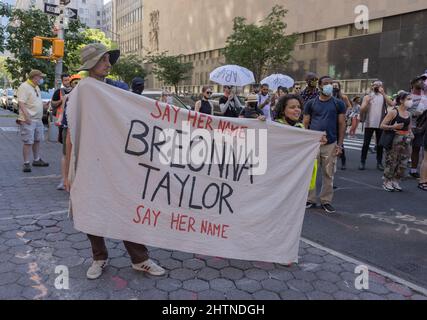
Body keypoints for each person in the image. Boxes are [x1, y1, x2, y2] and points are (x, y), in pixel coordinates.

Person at [64, 43, 165, 280]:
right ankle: (99, 257)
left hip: (116, 162)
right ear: (91, 65)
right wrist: (67, 172)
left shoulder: (115, 89)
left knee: (125, 207)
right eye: (103, 60)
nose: (108, 65)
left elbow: (136, 115)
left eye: (109, 60)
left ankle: (140, 259)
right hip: (89, 163)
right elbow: (71, 134)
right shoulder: (81, 92)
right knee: (90, 210)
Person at [303, 76, 346, 214]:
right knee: (311, 173)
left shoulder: (338, 103)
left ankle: (326, 201)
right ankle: (310, 199)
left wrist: (340, 144)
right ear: (319, 86)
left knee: (328, 173)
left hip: (331, 143)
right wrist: (306, 141)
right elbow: (305, 123)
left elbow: (341, 124)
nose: (329, 86)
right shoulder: (310, 103)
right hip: (313, 144)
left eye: (331, 84)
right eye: (326, 84)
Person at [17, 69, 50, 173]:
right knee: (28, 141)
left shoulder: (36, 87)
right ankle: (26, 163)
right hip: (29, 120)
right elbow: (21, 103)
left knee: (37, 140)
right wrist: (26, 117)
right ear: (35, 77)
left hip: (38, 119)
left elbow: (34, 101)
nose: (41, 79)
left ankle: (36, 160)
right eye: (40, 77)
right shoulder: (24, 87)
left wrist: (43, 106)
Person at [380, 92, 414, 192]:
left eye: (410, 99)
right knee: (392, 161)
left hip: (406, 140)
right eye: (408, 99)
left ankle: (396, 180)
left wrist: (411, 134)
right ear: (401, 100)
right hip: (395, 139)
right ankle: (387, 181)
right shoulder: (393, 112)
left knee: (403, 162)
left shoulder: (409, 114)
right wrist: (393, 127)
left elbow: (409, 127)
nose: (410, 101)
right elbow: (382, 125)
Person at [359, 81, 395, 171]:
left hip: (381, 124)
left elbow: (391, 104)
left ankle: (379, 162)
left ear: (382, 86)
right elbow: (362, 109)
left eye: (379, 85)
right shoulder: (368, 96)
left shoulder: (384, 96)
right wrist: (367, 102)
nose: (377, 86)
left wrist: (383, 93)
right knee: (366, 144)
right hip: (369, 123)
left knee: (380, 144)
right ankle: (362, 162)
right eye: (375, 85)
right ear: (372, 86)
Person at [408, 74, 427, 179]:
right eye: (419, 81)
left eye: (423, 81)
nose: (422, 82)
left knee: (417, 148)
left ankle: (413, 170)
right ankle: (396, 170)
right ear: (413, 84)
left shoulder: (425, 97)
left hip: (420, 128)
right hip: (408, 127)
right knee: (404, 150)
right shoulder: (408, 96)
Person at [333, 81, 352, 171]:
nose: (334, 87)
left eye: (336, 86)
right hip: (331, 121)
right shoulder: (329, 97)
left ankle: (343, 161)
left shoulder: (343, 97)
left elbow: (349, 107)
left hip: (341, 121)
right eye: (333, 86)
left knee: (340, 141)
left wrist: (345, 115)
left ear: (339, 87)